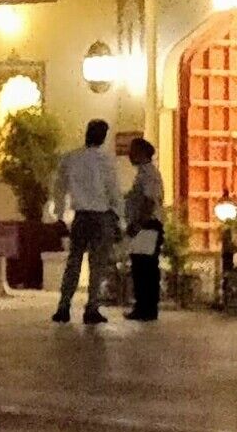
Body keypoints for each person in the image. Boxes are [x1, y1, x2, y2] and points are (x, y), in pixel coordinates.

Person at [54, 117, 126, 325]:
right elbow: (113, 191)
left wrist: (60, 214)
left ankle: (64, 305)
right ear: (103, 137)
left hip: (81, 216)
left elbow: (59, 188)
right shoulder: (106, 161)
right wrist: (119, 216)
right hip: (101, 216)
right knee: (97, 264)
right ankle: (91, 306)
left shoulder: (71, 158)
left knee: (74, 261)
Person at [119, 132, 167, 322]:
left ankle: (145, 308)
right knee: (142, 266)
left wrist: (138, 223)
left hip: (147, 225)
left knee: (144, 267)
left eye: (133, 151)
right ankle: (144, 307)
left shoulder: (148, 174)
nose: (129, 155)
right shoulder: (144, 173)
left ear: (141, 153)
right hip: (144, 224)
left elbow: (148, 200)